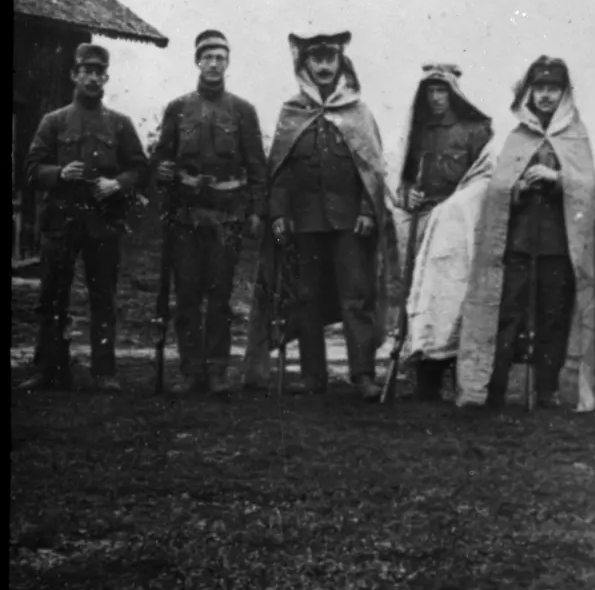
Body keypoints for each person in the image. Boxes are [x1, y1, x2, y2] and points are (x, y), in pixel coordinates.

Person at [455, 56, 595, 410]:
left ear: (564, 94)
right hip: (518, 242)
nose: (545, 96)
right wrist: (518, 189)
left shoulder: (577, 135)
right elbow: (496, 189)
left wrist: (558, 179)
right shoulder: (516, 137)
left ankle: (546, 386)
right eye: (539, 88)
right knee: (507, 312)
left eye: (553, 89)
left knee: (552, 316)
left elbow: (588, 189)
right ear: (529, 92)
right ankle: (494, 386)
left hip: (558, 244)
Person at [251, 28, 390, 400]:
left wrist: (366, 211)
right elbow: (279, 170)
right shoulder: (292, 112)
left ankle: (362, 375)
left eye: (331, 59)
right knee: (306, 299)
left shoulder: (359, 112)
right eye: (317, 60)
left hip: (349, 223)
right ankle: (314, 376)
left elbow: (372, 169)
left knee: (355, 297)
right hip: (305, 223)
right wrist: (279, 215)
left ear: (340, 63)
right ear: (306, 65)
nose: (325, 66)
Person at [22, 43, 148, 392]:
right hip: (61, 222)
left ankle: (104, 373)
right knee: (52, 296)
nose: (93, 78)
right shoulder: (54, 121)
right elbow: (31, 169)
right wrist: (60, 173)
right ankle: (49, 368)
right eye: (86, 71)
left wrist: (117, 184)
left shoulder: (119, 124)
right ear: (73, 75)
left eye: (99, 72)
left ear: (106, 77)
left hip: (103, 220)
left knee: (103, 296)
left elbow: (139, 168)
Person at [150, 29, 267, 394]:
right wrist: (162, 171)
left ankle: (217, 370)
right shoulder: (178, 108)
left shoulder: (243, 111)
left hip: (227, 218)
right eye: (208, 57)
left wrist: (256, 212)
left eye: (220, 57)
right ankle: (190, 371)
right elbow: (160, 159)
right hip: (185, 216)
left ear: (227, 63)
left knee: (219, 297)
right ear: (197, 61)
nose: (214, 63)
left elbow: (257, 167)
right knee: (186, 295)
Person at [391, 63, 493, 400]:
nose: (436, 98)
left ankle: (455, 371)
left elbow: (485, 177)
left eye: (442, 90)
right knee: (421, 295)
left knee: (453, 297)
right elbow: (401, 179)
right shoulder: (417, 131)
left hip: (458, 230)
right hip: (422, 223)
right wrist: (408, 194)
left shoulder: (476, 130)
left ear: (454, 92)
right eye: (430, 91)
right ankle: (424, 376)